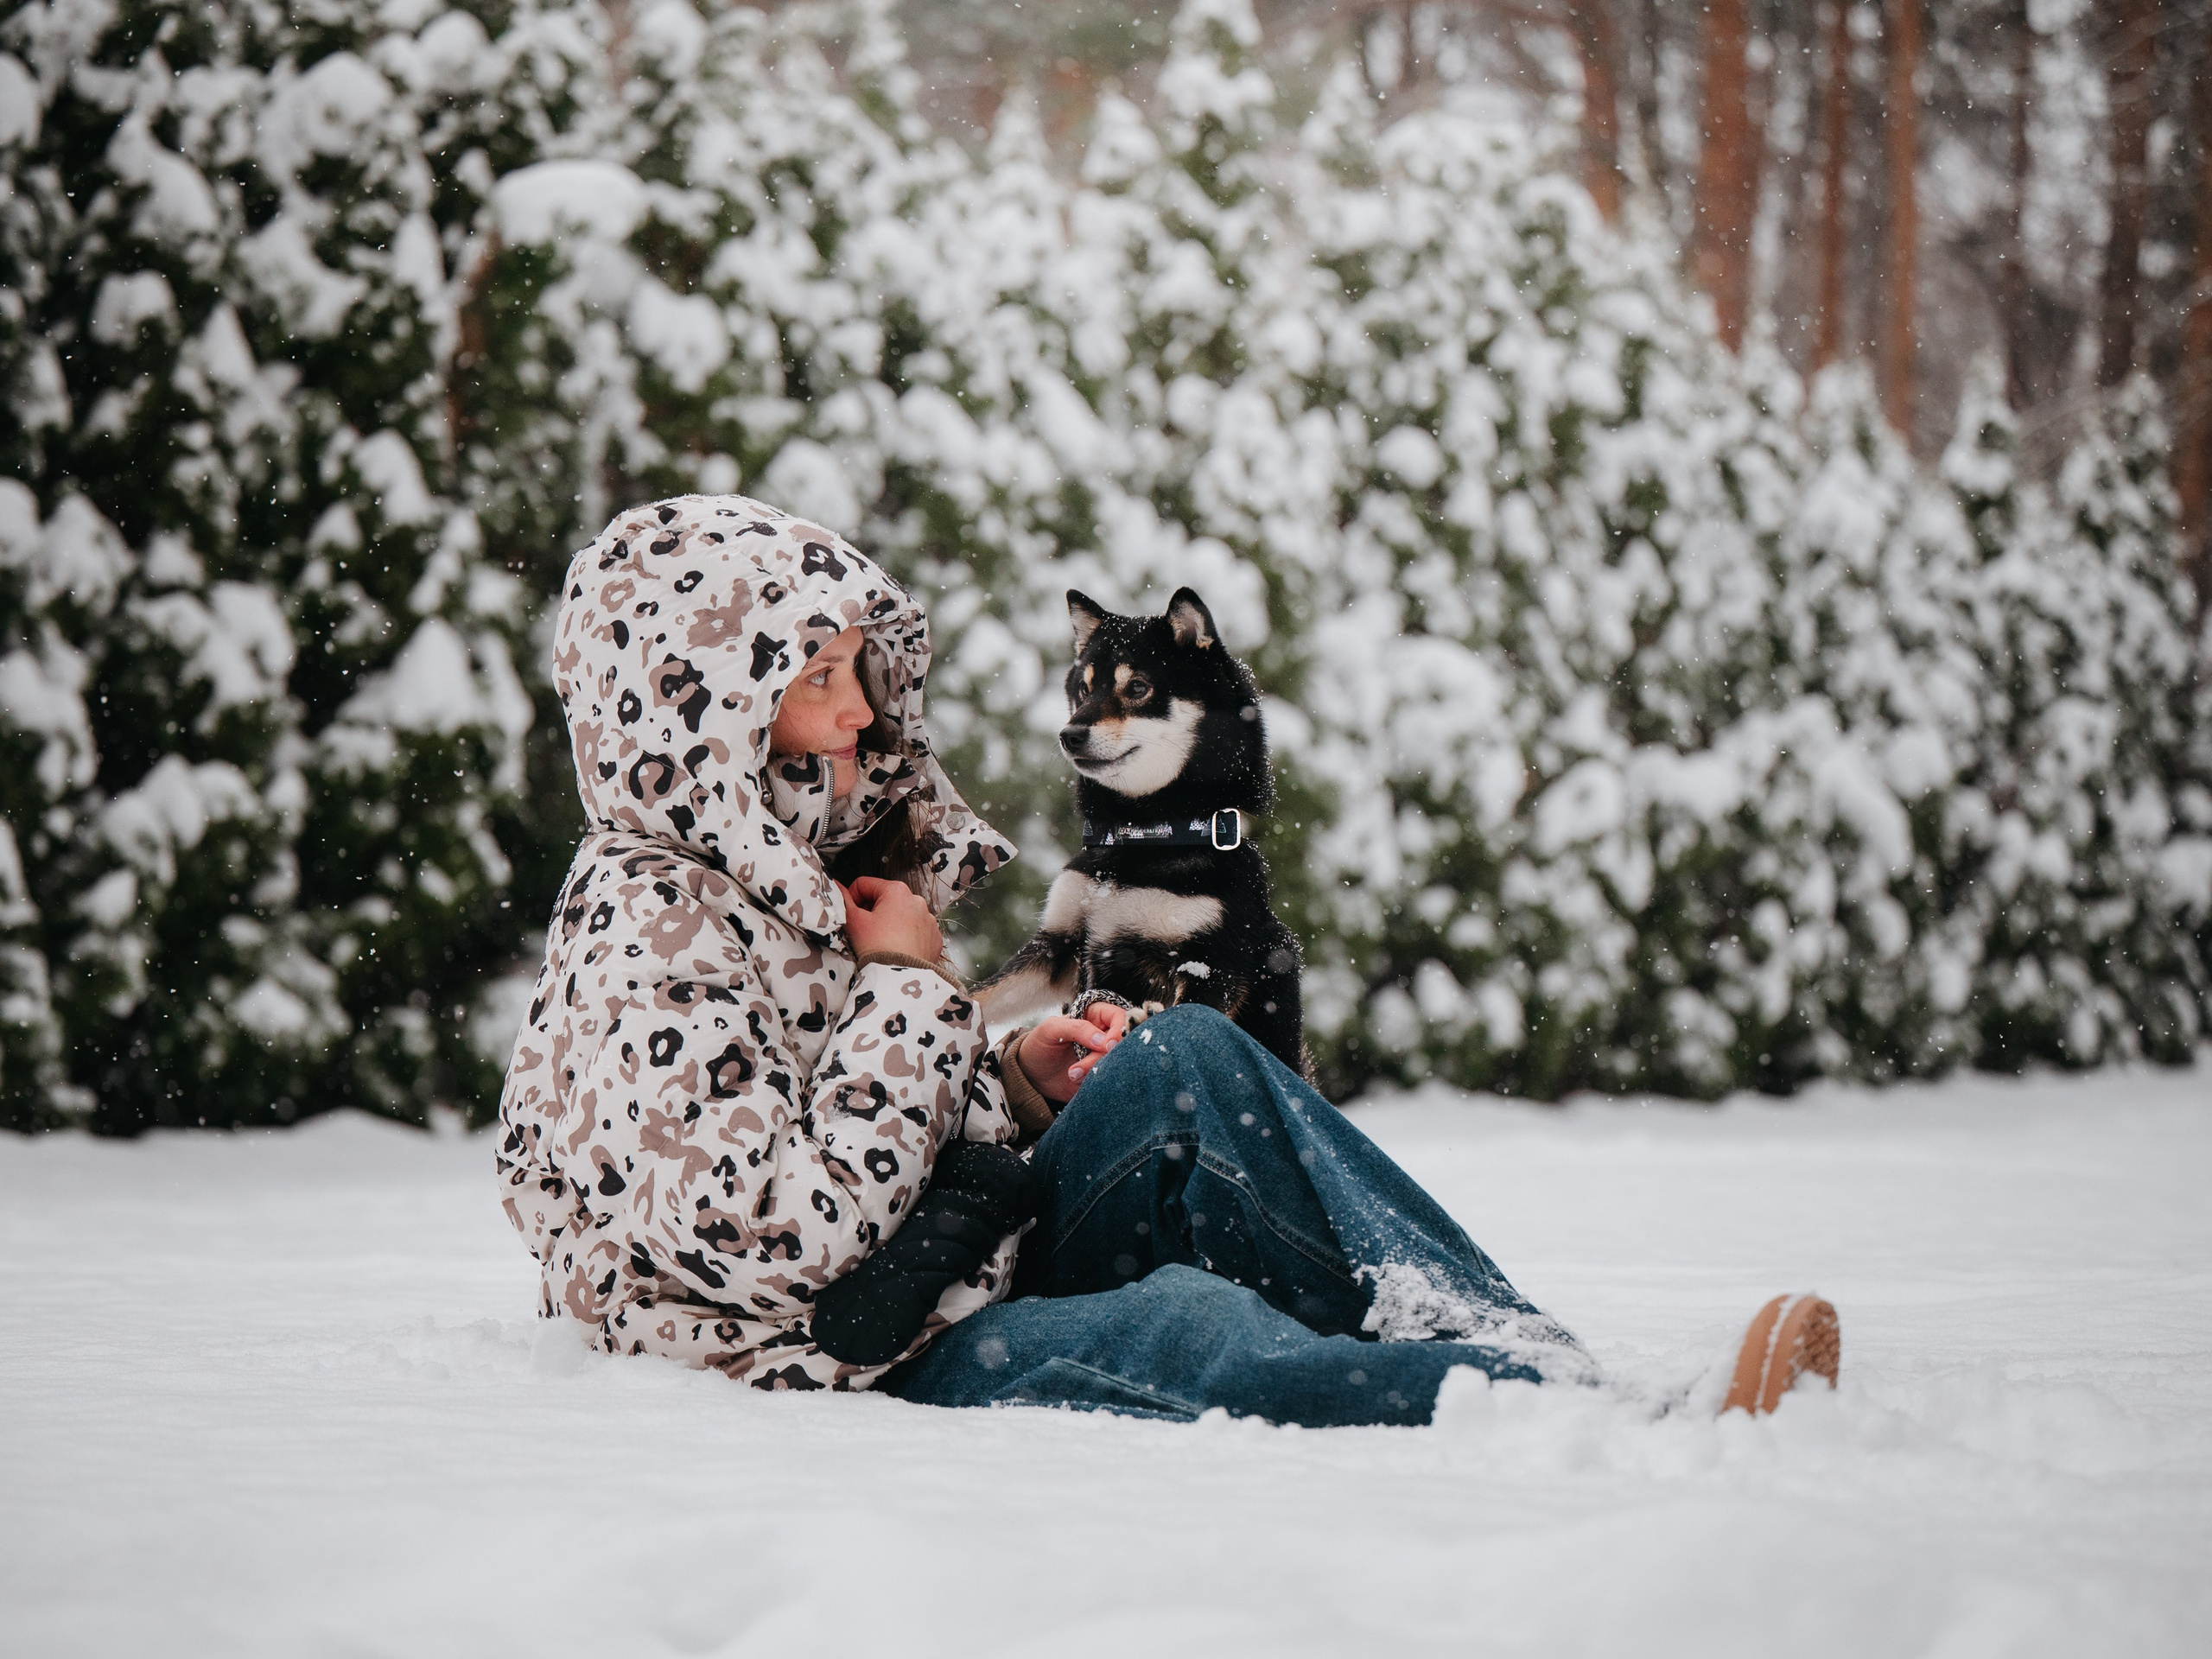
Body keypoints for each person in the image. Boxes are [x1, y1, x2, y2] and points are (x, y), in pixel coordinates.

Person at [498, 493, 1840, 1423]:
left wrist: (1014, 1074)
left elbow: (860, 1099)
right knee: (1188, 1328)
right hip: (847, 1350)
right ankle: (1566, 1422)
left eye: (859, 671)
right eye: (814, 682)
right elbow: (772, 1239)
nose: (858, 712)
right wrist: (912, 990)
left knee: (1190, 1056)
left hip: (965, 1236)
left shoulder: (798, 860)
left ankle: (1524, 1352)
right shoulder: (647, 930)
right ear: (702, 706)